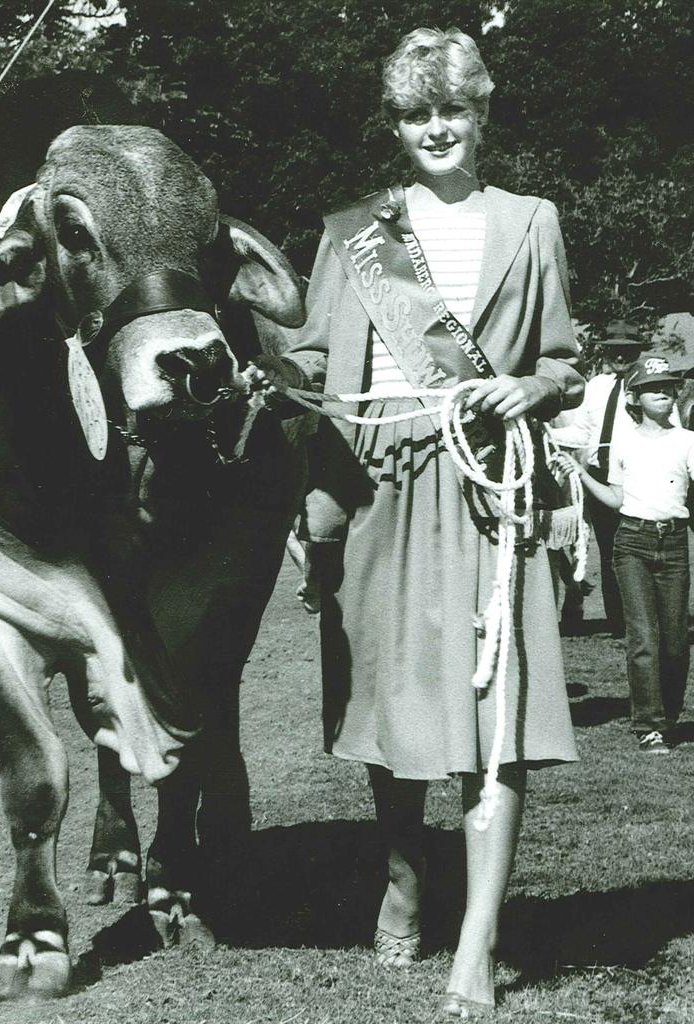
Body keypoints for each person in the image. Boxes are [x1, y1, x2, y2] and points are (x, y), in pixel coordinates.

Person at [248, 26, 583, 1016]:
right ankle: (405, 873)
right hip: (378, 488)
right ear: (396, 124)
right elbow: (308, 362)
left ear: (482, 112)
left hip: (489, 494)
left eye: (453, 108)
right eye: (415, 112)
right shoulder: (357, 233)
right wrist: (263, 379)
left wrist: (530, 385)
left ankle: (474, 946)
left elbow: (564, 357)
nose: (436, 127)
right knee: (394, 714)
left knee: (497, 715)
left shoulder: (531, 221)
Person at [578, 356, 694, 754]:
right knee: (643, 636)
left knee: (677, 641)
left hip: (675, 545)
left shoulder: (687, 442)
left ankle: (670, 717)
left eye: (669, 387)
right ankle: (649, 726)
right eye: (654, 387)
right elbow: (615, 498)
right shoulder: (624, 443)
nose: (664, 393)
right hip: (632, 543)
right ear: (636, 397)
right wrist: (580, 475)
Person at [550, 321, 653, 636]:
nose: (620, 357)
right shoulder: (593, 387)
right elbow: (582, 432)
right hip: (598, 477)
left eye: (626, 351)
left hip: (638, 474)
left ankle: (647, 621)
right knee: (609, 552)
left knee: (639, 548)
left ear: (637, 352)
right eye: (614, 351)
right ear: (605, 352)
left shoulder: (648, 385)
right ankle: (619, 624)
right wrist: (545, 433)